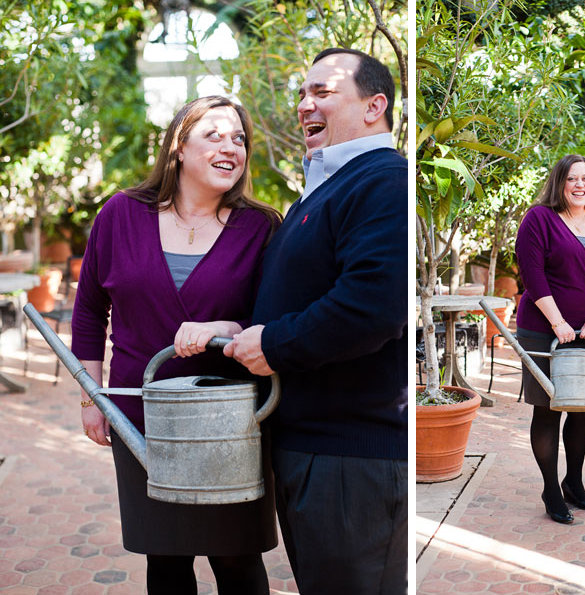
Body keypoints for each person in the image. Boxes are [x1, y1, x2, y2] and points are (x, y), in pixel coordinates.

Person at [71, 95, 281, 594]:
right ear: (179, 146)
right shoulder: (120, 214)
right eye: (214, 135)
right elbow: (88, 310)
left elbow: (276, 320)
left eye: (239, 139)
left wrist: (226, 327)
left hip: (229, 420)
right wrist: (91, 399)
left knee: (236, 558)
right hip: (142, 417)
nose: (231, 146)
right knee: (165, 558)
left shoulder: (262, 227)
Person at [224, 48, 407, 594]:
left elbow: (372, 306)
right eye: (301, 94)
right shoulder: (329, 186)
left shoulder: (383, 181)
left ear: (375, 106)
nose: (305, 104)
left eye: (322, 92)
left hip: (349, 460)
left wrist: (275, 344)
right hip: (312, 450)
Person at [515, 154, 585, 524]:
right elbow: (533, 275)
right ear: (559, 182)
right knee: (547, 410)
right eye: (572, 179)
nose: (580, 185)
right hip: (544, 329)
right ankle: (550, 489)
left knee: (582, 407)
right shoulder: (539, 218)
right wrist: (558, 322)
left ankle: (573, 483)